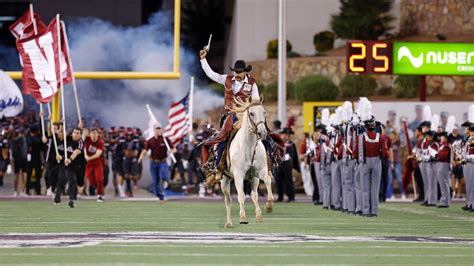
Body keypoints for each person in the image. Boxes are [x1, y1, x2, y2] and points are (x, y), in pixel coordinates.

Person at [198, 49, 283, 185]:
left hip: (247, 115)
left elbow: (255, 101)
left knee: (264, 133)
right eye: (235, 71)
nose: (236, 74)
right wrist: (203, 60)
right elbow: (211, 74)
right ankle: (219, 166)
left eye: (239, 72)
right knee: (222, 136)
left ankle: (269, 164)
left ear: (245, 71)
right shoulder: (227, 79)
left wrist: (251, 112)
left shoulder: (252, 84)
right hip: (231, 115)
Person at [138, 122, 174, 201]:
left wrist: (172, 151)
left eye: (159, 129)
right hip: (154, 162)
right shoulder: (150, 141)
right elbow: (145, 150)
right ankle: (160, 196)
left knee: (164, 174)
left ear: (161, 129)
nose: (158, 130)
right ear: (154, 130)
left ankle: (165, 181)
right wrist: (141, 157)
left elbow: (173, 148)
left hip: (163, 161)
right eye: (156, 129)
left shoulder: (165, 139)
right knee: (155, 181)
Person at [54, 128, 83, 208]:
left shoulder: (80, 142)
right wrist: (59, 156)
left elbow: (76, 152)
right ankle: (57, 198)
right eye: (74, 132)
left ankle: (71, 199)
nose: (76, 134)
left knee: (73, 181)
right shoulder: (67, 139)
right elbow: (58, 133)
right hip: (65, 163)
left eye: (78, 133)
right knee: (61, 180)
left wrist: (70, 159)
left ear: (80, 135)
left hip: (75, 165)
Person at [274, 127, 299, 202]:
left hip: (287, 164)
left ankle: (291, 197)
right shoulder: (277, 143)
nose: (282, 136)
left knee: (288, 180)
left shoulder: (290, 144)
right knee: (278, 180)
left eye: (283, 134)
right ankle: (280, 196)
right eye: (281, 134)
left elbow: (291, 155)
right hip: (279, 164)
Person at [85, 128, 105, 202]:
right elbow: (83, 133)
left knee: (99, 178)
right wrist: (81, 127)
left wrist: (88, 158)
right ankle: (95, 186)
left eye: (95, 133)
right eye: (92, 133)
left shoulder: (100, 142)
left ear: (98, 134)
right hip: (89, 164)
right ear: (89, 134)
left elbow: (98, 154)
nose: (93, 135)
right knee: (91, 181)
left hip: (97, 163)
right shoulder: (87, 139)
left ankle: (100, 195)